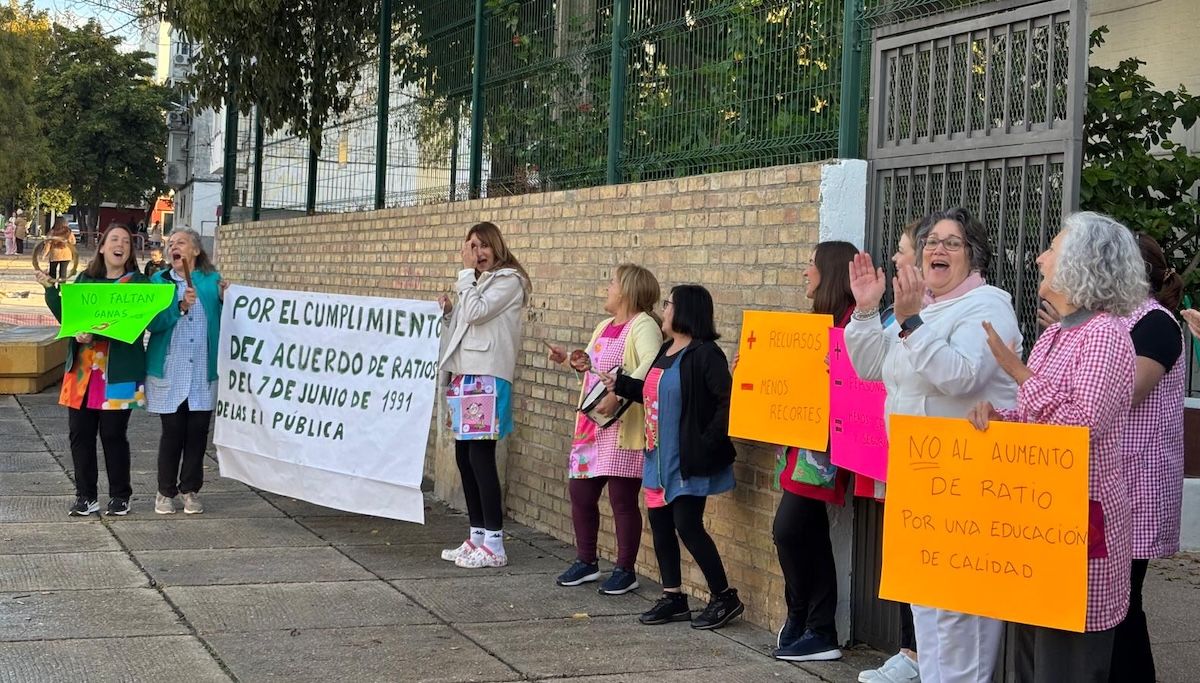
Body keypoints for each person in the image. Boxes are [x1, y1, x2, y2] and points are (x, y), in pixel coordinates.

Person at [845, 207, 1021, 683]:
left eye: (952, 242)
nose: (937, 249)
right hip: (918, 477)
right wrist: (866, 310)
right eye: (931, 242)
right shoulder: (921, 308)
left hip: (969, 481)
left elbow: (962, 377)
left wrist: (911, 323)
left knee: (963, 613)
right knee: (927, 603)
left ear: (973, 256)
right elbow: (867, 365)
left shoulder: (987, 306)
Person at [968, 211, 1144, 683]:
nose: (1040, 258)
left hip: (1077, 526)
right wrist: (999, 420)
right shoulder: (1056, 335)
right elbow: (1039, 421)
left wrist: (1016, 371)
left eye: (1052, 248)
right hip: (1040, 525)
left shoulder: (1104, 335)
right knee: (1029, 653)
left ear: (1080, 263)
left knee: (1065, 662)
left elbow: (1080, 425)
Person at [600, 284, 744, 630]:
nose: (664, 310)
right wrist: (619, 384)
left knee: (688, 526)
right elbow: (652, 392)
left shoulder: (706, 354)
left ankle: (725, 597)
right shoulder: (666, 349)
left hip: (687, 459)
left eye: (669, 305)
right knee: (661, 526)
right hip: (657, 458)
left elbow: (727, 401)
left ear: (686, 311)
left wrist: (708, 442)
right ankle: (673, 597)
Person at [546, 264, 663, 594]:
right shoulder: (604, 325)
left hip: (622, 424)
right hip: (591, 424)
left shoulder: (643, 326)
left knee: (621, 498)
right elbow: (596, 369)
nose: (607, 288)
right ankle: (586, 560)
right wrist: (572, 359)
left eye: (611, 282)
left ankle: (626, 569)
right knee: (580, 491)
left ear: (625, 290)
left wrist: (617, 395)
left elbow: (650, 366)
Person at [772, 241, 857, 662]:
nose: (805, 271)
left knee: (789, 530)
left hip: (822, 449)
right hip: (801, 441)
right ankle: (808, 621)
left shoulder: (850, 325)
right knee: (805, 532)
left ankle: (816, 624)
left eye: (811, 264)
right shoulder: (817, 324)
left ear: (830, 272)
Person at [1106, 234, 1185, 682]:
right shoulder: (1114, 321)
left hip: (1138, 484)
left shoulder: (1155, 325)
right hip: (1114, 481)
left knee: (1124, 602)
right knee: (1114, 602)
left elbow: (1121, 394)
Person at [36, 223, 148, 517]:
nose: (120, 244)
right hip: (83, 373)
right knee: (79, 435)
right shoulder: (86, 279)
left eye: (125, 240)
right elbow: (69, 316)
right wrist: (52, 294)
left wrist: (94, 333)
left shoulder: (139, 285)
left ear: (129, 250)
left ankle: (120, 496)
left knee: (113, 434)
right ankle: (85, 496)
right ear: (102, 247)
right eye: (114, 239)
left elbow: (132, 324)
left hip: (118, 371)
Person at [438, 221, 531, 569]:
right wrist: (450, 313)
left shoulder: (509, 281)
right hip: (467, 376)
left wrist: (464, 276)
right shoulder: (476, 284)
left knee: (481, 457)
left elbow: (477, 314)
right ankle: (476, 536)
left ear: (496, 247)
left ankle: (495, 542)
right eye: (472, 246)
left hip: (488, 377)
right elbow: (465, 324)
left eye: (483, 246)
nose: (478, 254)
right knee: (465, 457)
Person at [146, 229, 226, 515]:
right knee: (172, 432)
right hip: (171, 367)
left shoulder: (211, 281)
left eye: (180, 242)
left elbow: (230, 311)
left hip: (202, 370)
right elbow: (153, 324)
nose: (173, 247)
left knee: (197, 433)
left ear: (195, 251)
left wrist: (227, 296)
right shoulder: (158, 282)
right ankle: (164, 491)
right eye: (170, 244)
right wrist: (180, 307)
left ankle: (190, 489)